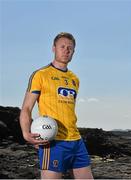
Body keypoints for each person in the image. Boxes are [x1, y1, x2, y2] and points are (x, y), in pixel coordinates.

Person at [20, 32, 94, 179]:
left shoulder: (75, 79)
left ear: (73, 51)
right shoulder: (41, 74)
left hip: (76, 141)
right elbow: (27, 108)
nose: (66, 50)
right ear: (54, 48)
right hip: (53, 143)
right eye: (62, 46)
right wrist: (26, 133)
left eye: (70, 48)